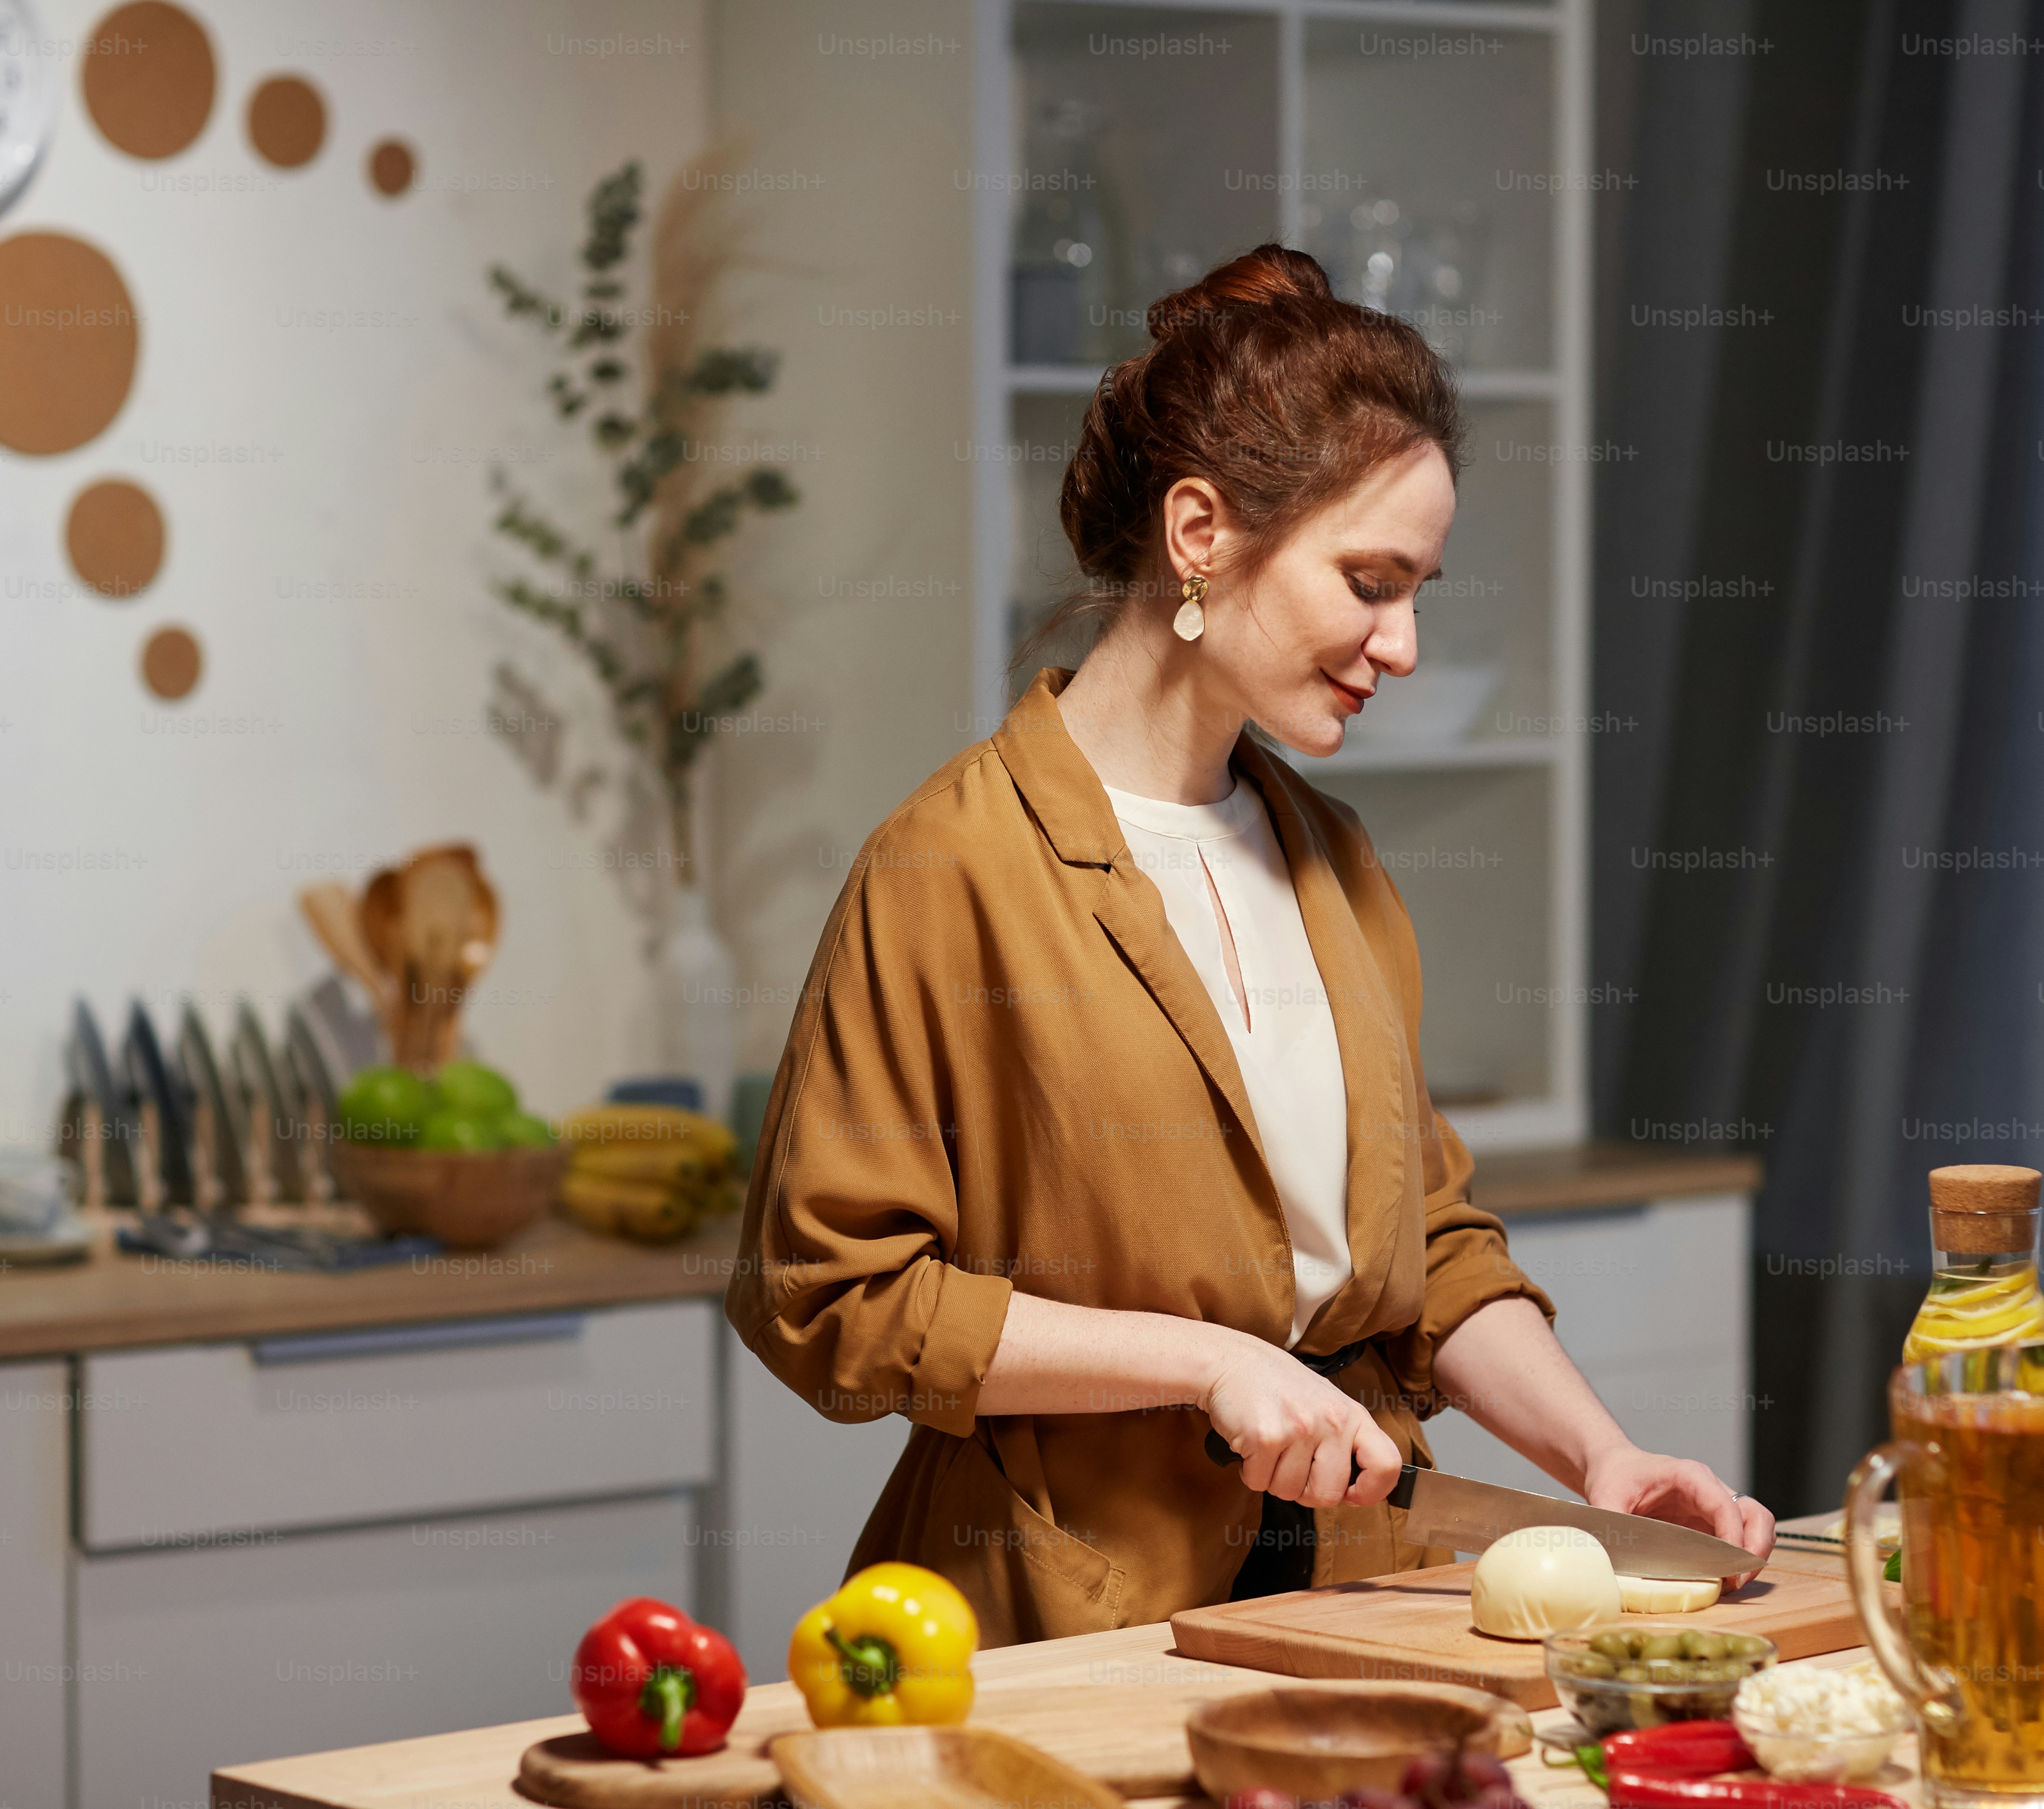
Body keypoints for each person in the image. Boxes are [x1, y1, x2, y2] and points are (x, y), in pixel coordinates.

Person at [727, 245, 1776, 1646]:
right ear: (1202, 532)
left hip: (1362, 1596)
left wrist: (1597, 1458)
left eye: (1419, 591)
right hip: (1069, 1619)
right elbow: (834, 1299)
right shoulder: (948, 867)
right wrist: (1204, 1361)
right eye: (1370, 581)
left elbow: (1433, 1253)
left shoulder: (1333, 857)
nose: (1402, 643)